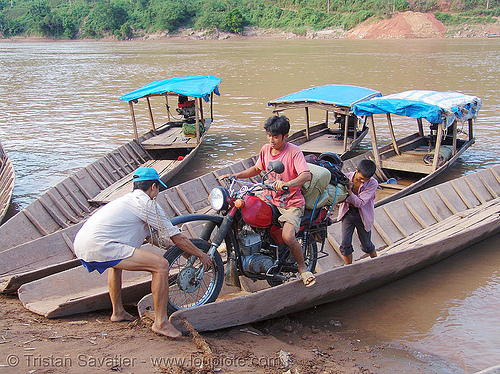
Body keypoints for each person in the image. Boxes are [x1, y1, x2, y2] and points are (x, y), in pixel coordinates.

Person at [73, 167, 212, 338]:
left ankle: (117, 312)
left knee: (115, 266)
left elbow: (152, 238)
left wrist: (182, 252)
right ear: (153, 187)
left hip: (81, 244)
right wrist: (201, 254)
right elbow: (178, 238)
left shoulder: (126, 201)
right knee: (161, 265)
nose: (157, 192)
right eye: (158, 189)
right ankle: (161, 322)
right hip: (101, 246)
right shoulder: (146, 204)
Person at [221, 115, 315, 287]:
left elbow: (306, 175)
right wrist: (235, 175)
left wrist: (287, 184)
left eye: (275, 136)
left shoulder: (294, 152)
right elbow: (257, 169)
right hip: (268, 197)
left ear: (285, 136)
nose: (271, 140)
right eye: (269, 135)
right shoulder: (265, 149)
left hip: (290, 203)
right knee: (242, 210)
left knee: (288, 236)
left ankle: (303, 268)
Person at [337, 159, 378, 265]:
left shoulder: (373, 183)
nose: (363, 181)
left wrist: (349, 191)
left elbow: (360, 203)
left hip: (363, 215)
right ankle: (348, 267)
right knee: (345, 244)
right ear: (356, 170)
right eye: (361, 178)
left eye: (366, 180)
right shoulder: (346, 177)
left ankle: (376, 262)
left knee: (367, 245)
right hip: (347, 213)